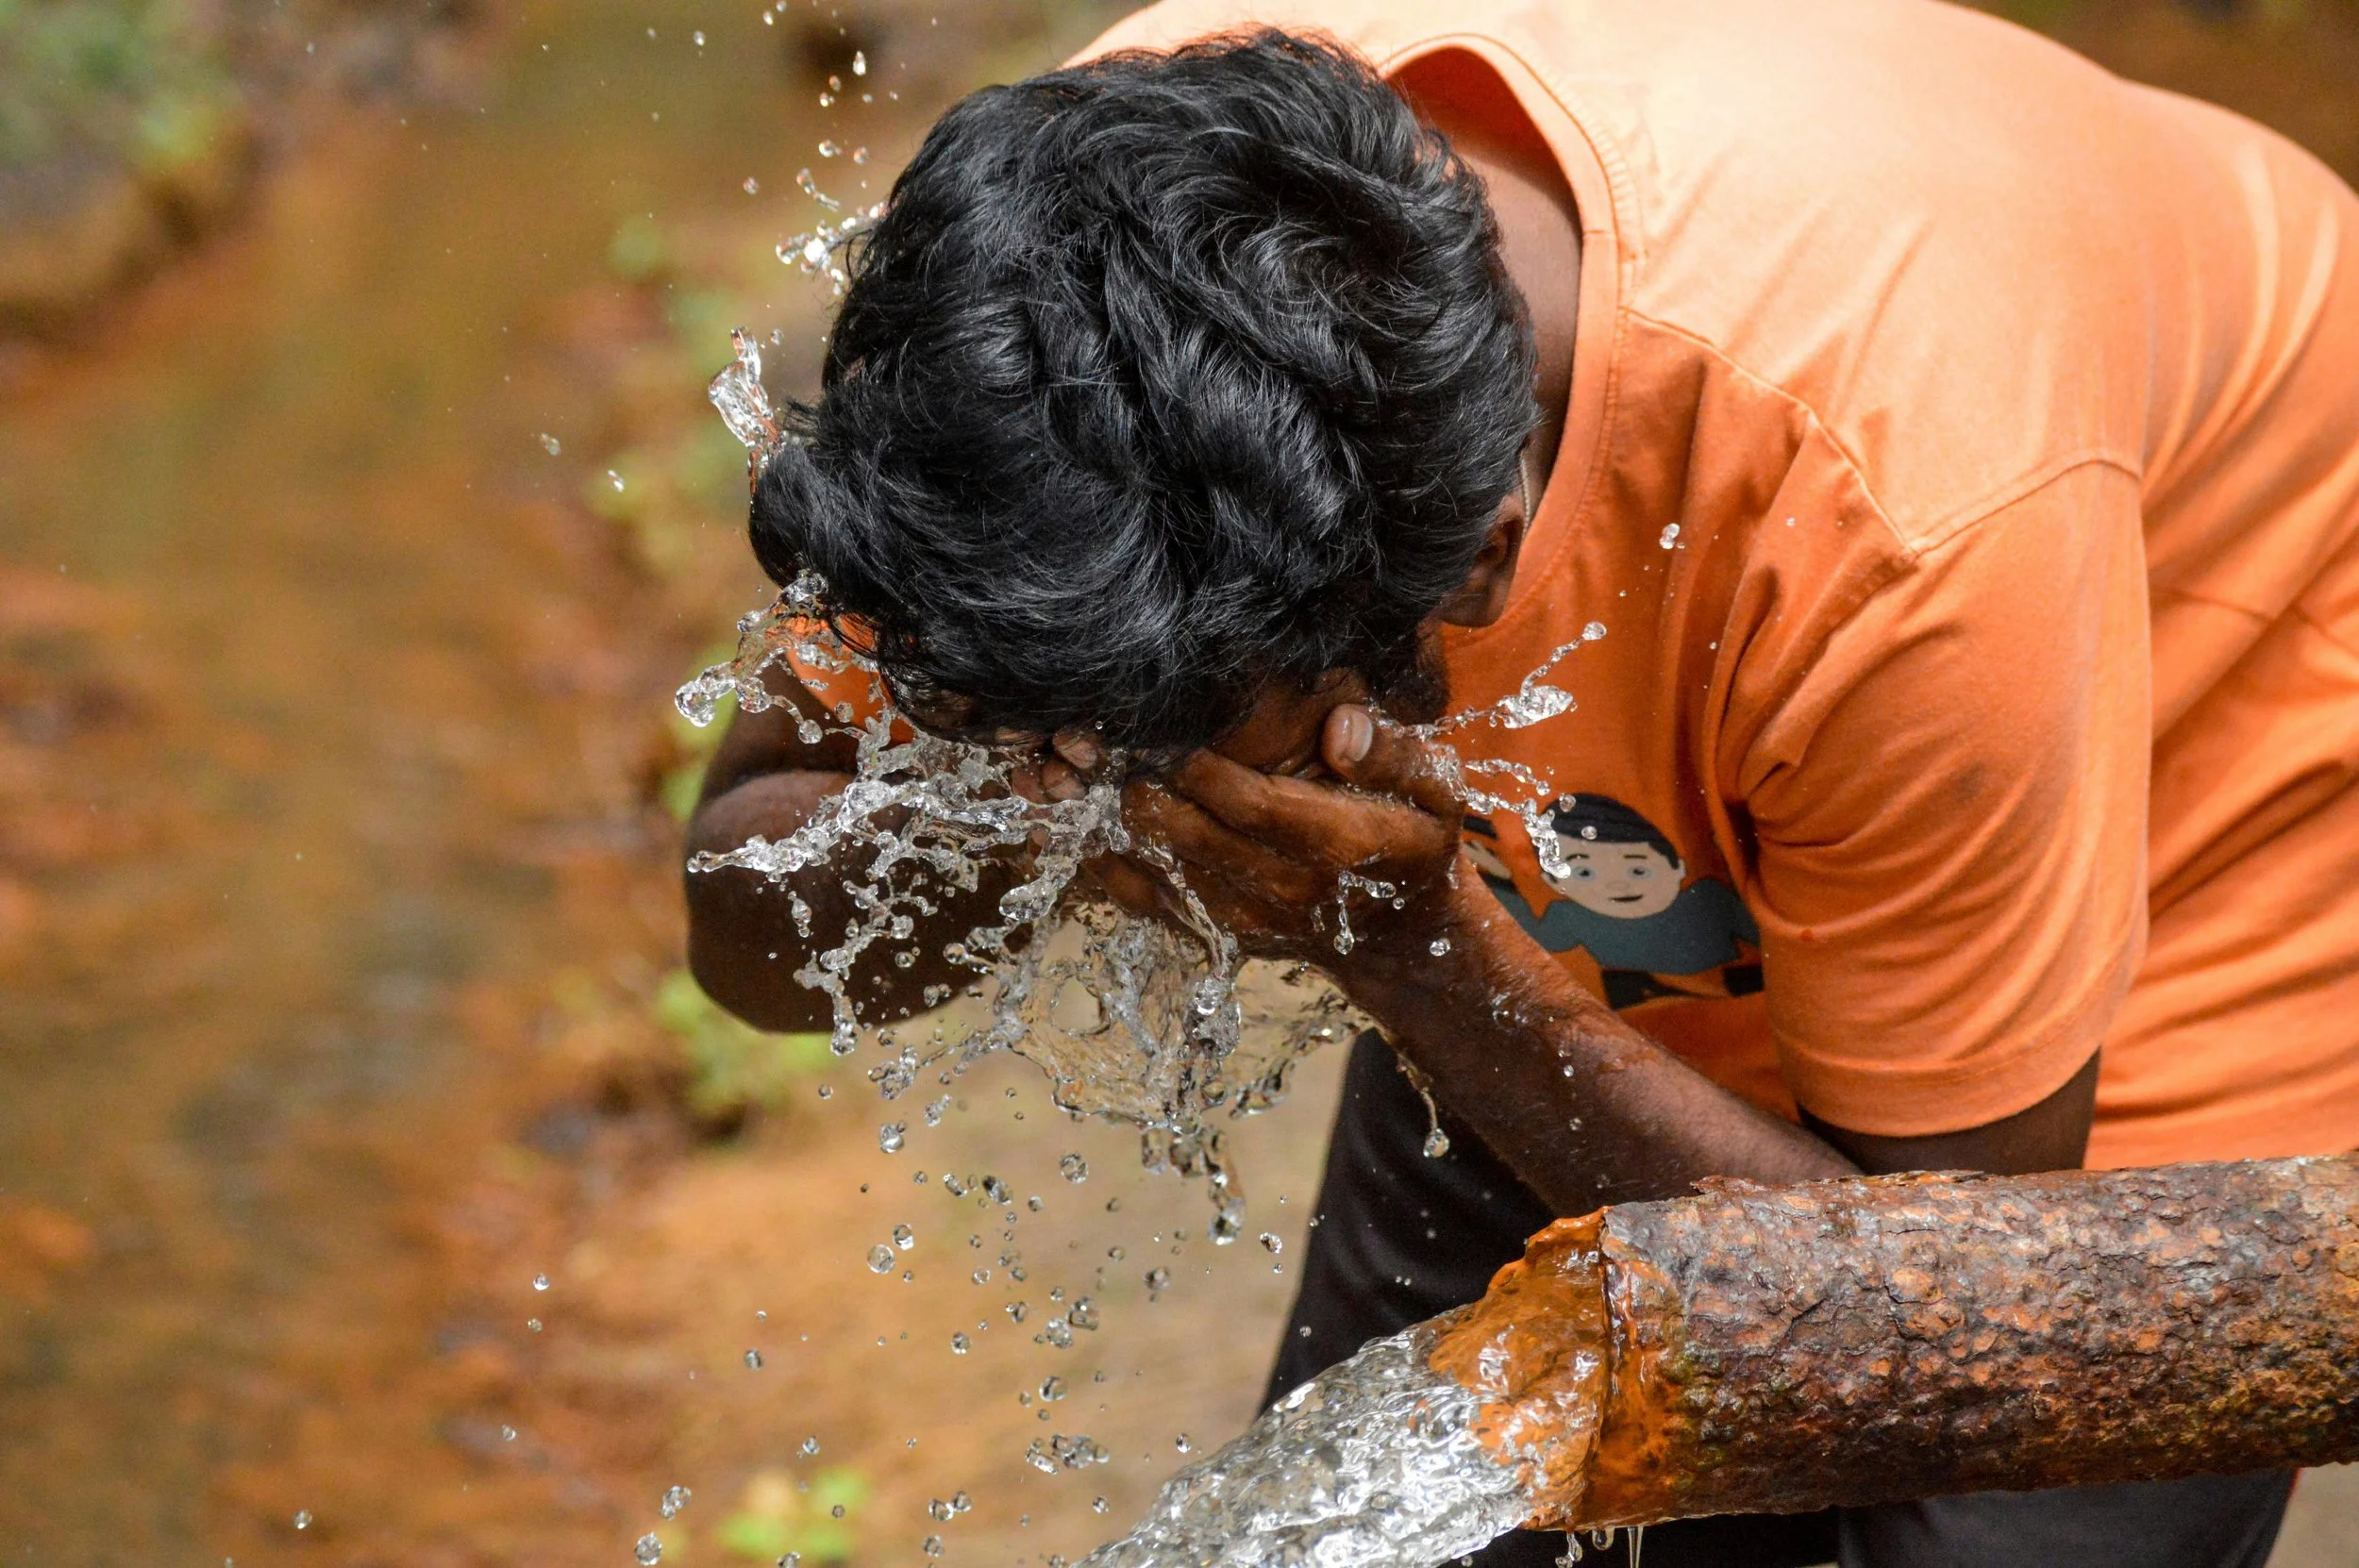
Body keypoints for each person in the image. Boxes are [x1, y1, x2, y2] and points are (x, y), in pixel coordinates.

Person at [682, 5, 2359, 1564]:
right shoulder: (1071, 291)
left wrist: (1421, 951)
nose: (1073, 773)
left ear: (1479, 579)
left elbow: (1936, 1319)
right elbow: (743, 908)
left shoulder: (1906, 512)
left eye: (1130, 743)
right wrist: (1037, 815)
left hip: (2210, 781)